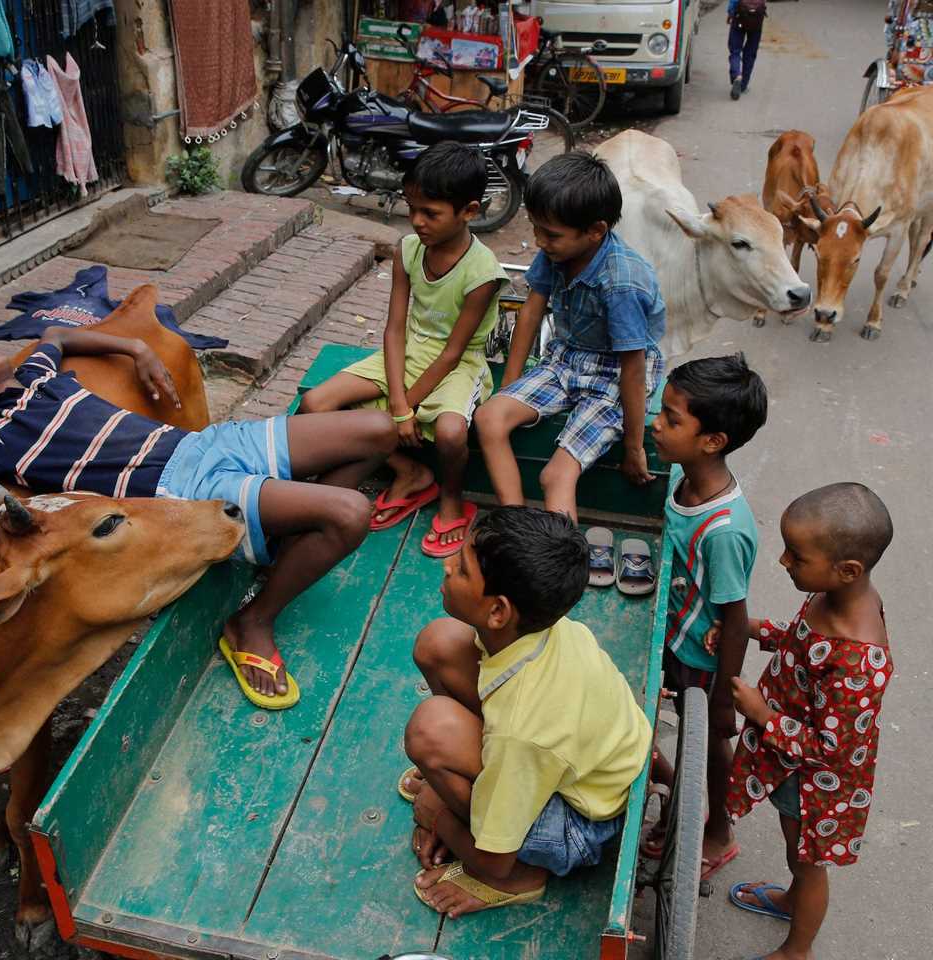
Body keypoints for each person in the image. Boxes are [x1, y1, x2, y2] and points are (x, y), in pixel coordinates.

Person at [0, 326, 398, 711]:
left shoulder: (34, 373)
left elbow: (57, 338)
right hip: (181, 488)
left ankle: (286, 535)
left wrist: (136, 346)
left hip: (212, 443)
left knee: (380, 432)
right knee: (350, 514)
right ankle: (251, 621)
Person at [399, 506, 651, 916]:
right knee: (437, 643)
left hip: (581, 823)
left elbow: (493, 858)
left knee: (430, 729)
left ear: (498, 611)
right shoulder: (546, 628)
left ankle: (526, 877)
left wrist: (440, 816)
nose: (447, 567)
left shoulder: (523, 729)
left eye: (462, 569)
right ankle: (479, 783)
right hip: (590, 763)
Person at [299, 142, 506, 559]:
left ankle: (450, 500)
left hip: (458, 365)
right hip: (407, 352)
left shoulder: (482, 272)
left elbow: (452, 353)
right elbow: (394, 329)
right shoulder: (408, 250)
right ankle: (408, 471)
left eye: (430, 213)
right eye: (411, 208)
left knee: (450, 432)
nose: (417, 221)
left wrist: (403, 408)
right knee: (314, 403)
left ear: (468, 211)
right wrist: (399, 405)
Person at [724, 483, 893, 960]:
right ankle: (792, 899)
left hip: (816, 784)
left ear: (848, 570)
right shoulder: (832, 595)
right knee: (793, 849)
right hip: (791, 764)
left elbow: (829, 749)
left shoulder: (861, 660)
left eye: (796, 556)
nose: (783, 562)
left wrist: (761, 713)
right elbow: (805, 645)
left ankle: (799, 949)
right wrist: (763, 631)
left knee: (808, 860)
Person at [474, 152, 666, 524]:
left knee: (556, 475)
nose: (539, 241)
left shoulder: (621, 283)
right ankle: (516, 527)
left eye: (550, 234)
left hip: (615, 373)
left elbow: (634, 369)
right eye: (535, 228)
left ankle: (557, 569)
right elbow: (531, 311)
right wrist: (510, 388)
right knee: (489, 419)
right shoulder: (557, 250)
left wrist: (634, 445)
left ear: (595, 231)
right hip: (566, 356)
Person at [639, 354, 768, 881]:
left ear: (712, 440)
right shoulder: (683, 475)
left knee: (710, 744)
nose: (656, 423)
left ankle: (717, 831)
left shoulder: (723, 529)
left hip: (701, 658)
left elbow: (735, 619)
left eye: (671, 419)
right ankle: (676, 791)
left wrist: (722, 698)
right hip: (673, 633)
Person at [728, 0, 767, 100]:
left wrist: (730, 13)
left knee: (735, 50)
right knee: (750, 52)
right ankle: (743, 85)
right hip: (757, 17)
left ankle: (737, 74)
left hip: (740, 15)